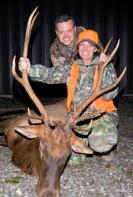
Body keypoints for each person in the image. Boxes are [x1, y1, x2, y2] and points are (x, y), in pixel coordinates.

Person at [18, 29, 119, 165]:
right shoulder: (71, 68)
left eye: (90, 45)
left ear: (96, 49)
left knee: (100, 145)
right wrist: (30, 69)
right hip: (76, 120)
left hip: (101, 116)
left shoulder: (105, 68)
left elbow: (110, 94)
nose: (85, 48)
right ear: (77, 48)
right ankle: (86, 140)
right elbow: (49, 74)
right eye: (82, 45)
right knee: (72, 161)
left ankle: (104, 149)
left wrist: (107, 67)